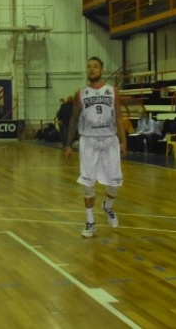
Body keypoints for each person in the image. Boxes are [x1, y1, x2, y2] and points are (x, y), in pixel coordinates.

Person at [63, 56, 126, 239]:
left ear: (102, 70)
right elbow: (74, 119)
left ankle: (107, 206)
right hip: (88, 140)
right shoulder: (80, 93)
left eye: (95, 66)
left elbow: (119, 117)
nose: (91, 69)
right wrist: (68, 144)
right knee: (88, 183)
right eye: (89, 67)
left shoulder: (112, 90)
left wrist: (123, 140)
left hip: (109, 139)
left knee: (115, 181)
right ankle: (90, 222)